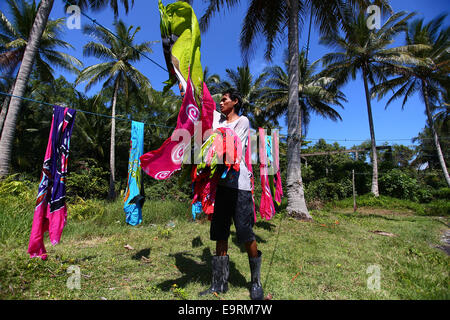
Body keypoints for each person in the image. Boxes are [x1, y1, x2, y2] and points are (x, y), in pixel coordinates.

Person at [199, 88, 264, 300]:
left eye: (224, 100)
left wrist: (214, 135)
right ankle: (219, 283)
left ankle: (255, 282)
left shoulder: (242, 121)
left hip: (240, 186)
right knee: (220, 233)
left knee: (245, 233)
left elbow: (230, 144)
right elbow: (207, 130)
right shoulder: (218, 121)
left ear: (234, 102)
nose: (221, 103)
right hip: (221, 187)